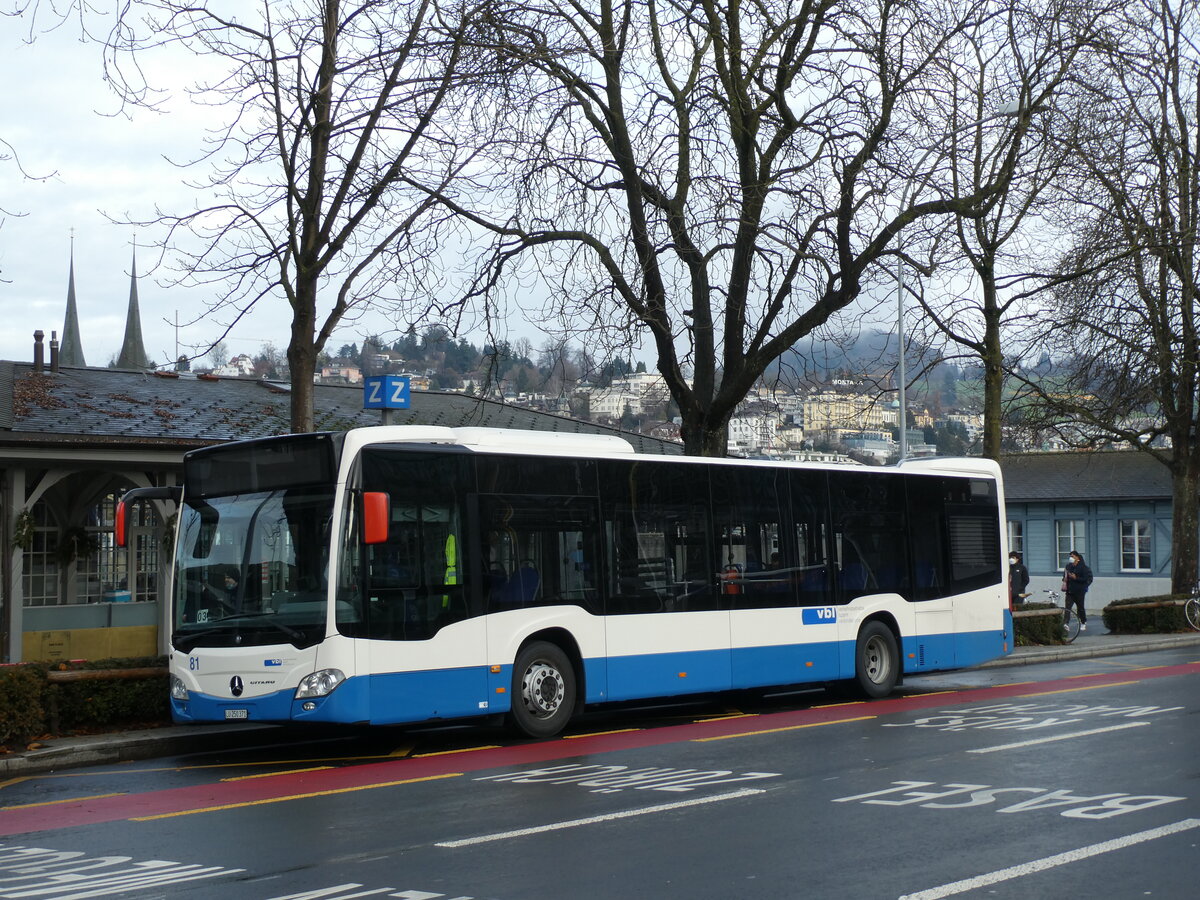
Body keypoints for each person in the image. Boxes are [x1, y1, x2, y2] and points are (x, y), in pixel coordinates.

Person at [1063, 550, 1092, 631]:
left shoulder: (1083, 567)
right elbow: (1064, 576)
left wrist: (1076, 578)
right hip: (1069, 590)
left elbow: (1085, 579)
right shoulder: (1068, 566)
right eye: (1070, 556)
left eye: (1072, 556)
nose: (1071, 558)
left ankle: (1083, 622)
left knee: (1080, 607)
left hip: (1079, 591)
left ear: (1077, 557)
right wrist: (1065, 578)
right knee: (1067, 608)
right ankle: (1065, 623)